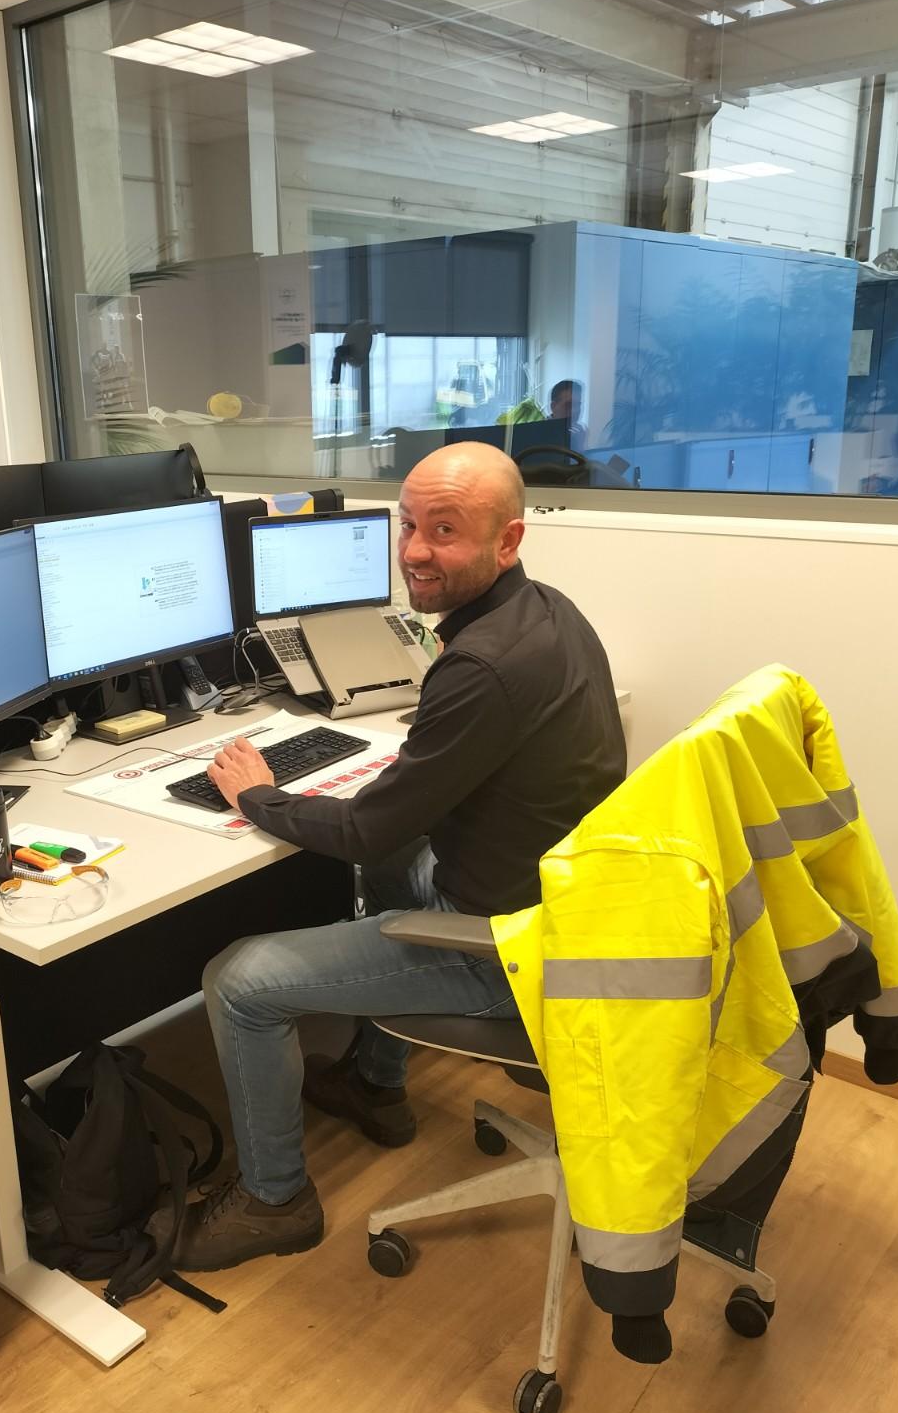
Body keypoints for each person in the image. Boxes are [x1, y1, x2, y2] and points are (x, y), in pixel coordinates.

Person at [172, 442, 626, 1272]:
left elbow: (362, 831)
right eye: (409, 524)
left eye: (444, 530)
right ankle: (376, 1087)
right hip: (570, 906)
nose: (414, 550)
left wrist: (256, 794)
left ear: (508, 541)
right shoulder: (547, 614)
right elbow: (409, 816)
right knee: (395, 863)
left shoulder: (482, 665)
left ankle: (275, 1201)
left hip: (512, 947)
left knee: (238, 981)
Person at [547, 378, 587, 453]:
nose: (574, 411)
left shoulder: (577, 433)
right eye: (568, 405)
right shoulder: (540, 434)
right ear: (553, 406)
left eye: (578, 405)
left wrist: (580, 445)